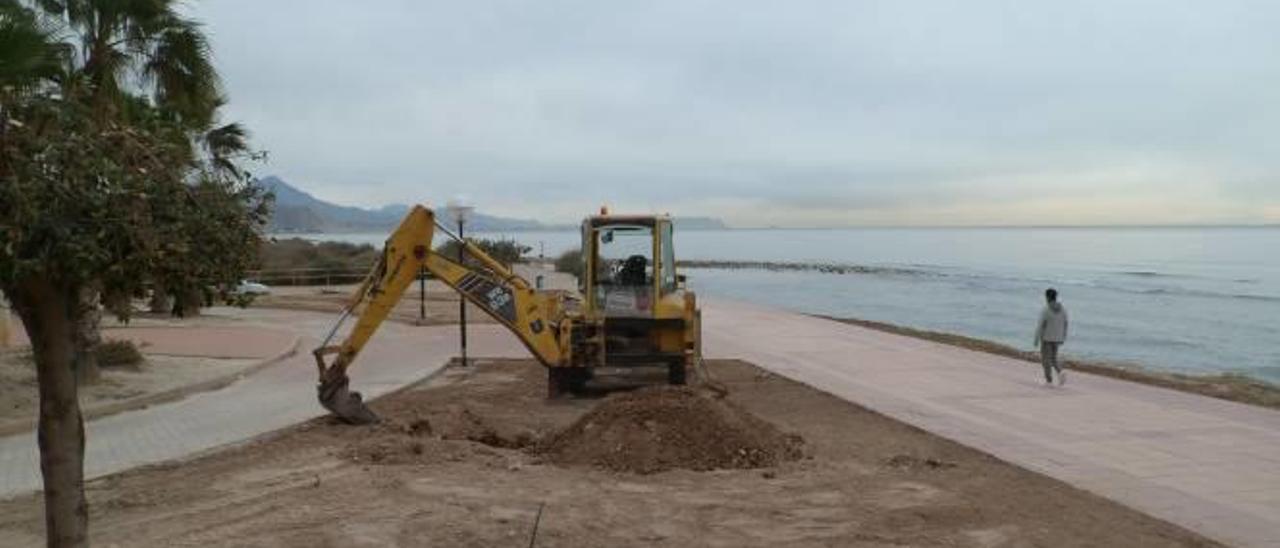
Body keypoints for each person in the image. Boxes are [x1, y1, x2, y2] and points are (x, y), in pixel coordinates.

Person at [1033, 288, 1069, 386]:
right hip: (1057, 338)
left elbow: (1040, 325)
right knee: (1053, 358)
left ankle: (1049, 380)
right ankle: (1060, 372)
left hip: (1046, 338)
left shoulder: (1046, 309)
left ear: (1047, 297)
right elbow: (1066, 323)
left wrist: (1036, 339)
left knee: (1045, 360)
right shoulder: (1063, 309)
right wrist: (1063, 337)